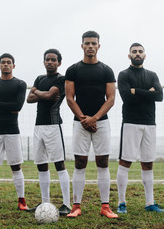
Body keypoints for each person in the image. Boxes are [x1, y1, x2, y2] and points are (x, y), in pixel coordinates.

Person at [65, 31, 118, 218]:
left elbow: (111, 99)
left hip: (101, 122)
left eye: (93, 43)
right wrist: (83, 119)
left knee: (102, 162)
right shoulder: (73, 70)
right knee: (80, 163)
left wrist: (94, 118)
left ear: (98, 46)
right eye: (87, 43)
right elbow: (70, 98)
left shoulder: (106, 70)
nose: (90, 46)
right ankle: (76, 206)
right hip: (79, 122)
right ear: (82, 46)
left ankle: (105, 207)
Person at [116, 43, 164, 214]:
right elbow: (127, 98)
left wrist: (136, 91)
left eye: (140, 51)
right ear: (129, 55)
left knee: (148, 163)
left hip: (150, 123)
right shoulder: (123, 75)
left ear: (145, 55)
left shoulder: (152, 75)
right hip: (130, 122)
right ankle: (121, 202)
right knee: (126, 162)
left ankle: (149, 203)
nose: (137, 54)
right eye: (134, 52)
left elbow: (159, 96)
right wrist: (147, 92)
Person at [0, 53, 29, 211]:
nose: (6, 65)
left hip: (12, 131)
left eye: (9, 62)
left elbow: (18, 106)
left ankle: (21, 201)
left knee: (16, 166)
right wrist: (9, 106)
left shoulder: (20, 84)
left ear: (13, 66)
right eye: (3, 62)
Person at [26, 49, 71, 216]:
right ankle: (44, 202)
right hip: (38, 127)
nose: (50, 62)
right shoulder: (40, 78)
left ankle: (66, 204)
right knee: (41, 165)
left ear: (59, 62)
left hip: (53, 126)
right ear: (44, 62)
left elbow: (50, 95)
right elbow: (29, 99)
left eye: (53, 60)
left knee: (59, 164)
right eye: (47, 59)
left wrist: (36, 92)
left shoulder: (61, 79)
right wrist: (40, 93)